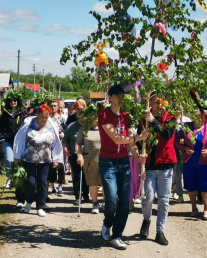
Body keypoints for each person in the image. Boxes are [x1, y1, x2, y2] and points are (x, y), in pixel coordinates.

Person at [98, 84, 148, 250]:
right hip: (107, 161)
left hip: (123, 162)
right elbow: (118, 139)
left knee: (125, 203)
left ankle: (117, 235)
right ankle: (107, 223)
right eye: (118, 95)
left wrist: (138, 158)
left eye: (123, 95)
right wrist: (139, 138)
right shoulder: (104, 114)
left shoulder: (127, 116)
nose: (122, 97)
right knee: (112, 199)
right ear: (110, 96)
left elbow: (131, 143)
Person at [139, 93, 176, 246]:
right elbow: (139, 138)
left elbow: (167, 134)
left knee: (163, 200)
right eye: (156, 102)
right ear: (150, 104)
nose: (160, 105)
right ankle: (146, 219)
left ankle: (160, 231)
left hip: (165, 165)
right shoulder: (143, 120)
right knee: (147, 198)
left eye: (162, 102)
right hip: (148, 165)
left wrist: (153, 121)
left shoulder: (171, 119)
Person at [13, 105, 63, 217]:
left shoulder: (51, 125)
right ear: (37, 114)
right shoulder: (29, 123)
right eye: (41, 117)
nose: (44, 120)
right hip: (29, 158)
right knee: (30, 182)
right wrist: (17, 155)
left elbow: (56, 143)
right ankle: (29, 201)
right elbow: (20, 139)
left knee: (42, 182)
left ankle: (40, 206)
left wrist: (57, 159)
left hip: (45, 159)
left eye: (46, 117)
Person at [174, 114, 207, 220]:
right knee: (191, 184)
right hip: (190, 160)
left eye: (202, 116)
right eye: (197, 116)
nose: (199, 118)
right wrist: (185, 148)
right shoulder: (186, 126)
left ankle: (206, 209)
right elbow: (176, 140)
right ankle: (194, 207)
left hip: (206, 161)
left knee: (205, 185)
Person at [0, 90, 28, 207]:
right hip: (9, 141)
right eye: (11, 100)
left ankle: (23, 191)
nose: (13, 102)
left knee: (22, 165)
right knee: (9, 159)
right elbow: (1, 126)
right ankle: (10, 177)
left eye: (15, 100)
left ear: (18, 101)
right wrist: (5, 134)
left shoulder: (23, 112)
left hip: (21, 142)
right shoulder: (6, 113)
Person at [63, 100, 89, 205]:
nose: (82, 118)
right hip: (74, 154)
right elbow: (65, 141)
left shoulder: (90, 126)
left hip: (87, 155)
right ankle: (78, 196)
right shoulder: (71, 126)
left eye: (84, 116)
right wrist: (65, 150)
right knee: (77, 175)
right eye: (80, 115)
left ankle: (86, 194)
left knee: (87, 175)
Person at [75, 118, 102, 214]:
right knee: (92, 181)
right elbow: (78, 142)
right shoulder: (84, 128)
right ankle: (95, 203)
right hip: (89, 159)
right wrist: (79, 155)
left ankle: (107, 202)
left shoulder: (105, 126)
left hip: (105, 158)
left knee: (106, 181)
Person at [172, 106, 192, 203]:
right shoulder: (171, 122)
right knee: (178, 172)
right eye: (175, 111)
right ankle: (179, 194)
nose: (177, 113)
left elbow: (191, 134)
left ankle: (191, 193)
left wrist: (185, 140)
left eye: (179, 111)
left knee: (186, 172)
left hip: (185, 150)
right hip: (174, 149)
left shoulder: (187, 121)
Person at [48, 99, 67, 196]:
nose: (53, 108)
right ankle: (53, 186)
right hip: (50, 145)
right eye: (51, 106)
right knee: (51, 165)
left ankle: (60, 186)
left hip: (60, 144)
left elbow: (66, 129)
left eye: (55, 106)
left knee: (60, 165)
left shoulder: (62, 118)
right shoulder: (48, 118)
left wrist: (63, 133)